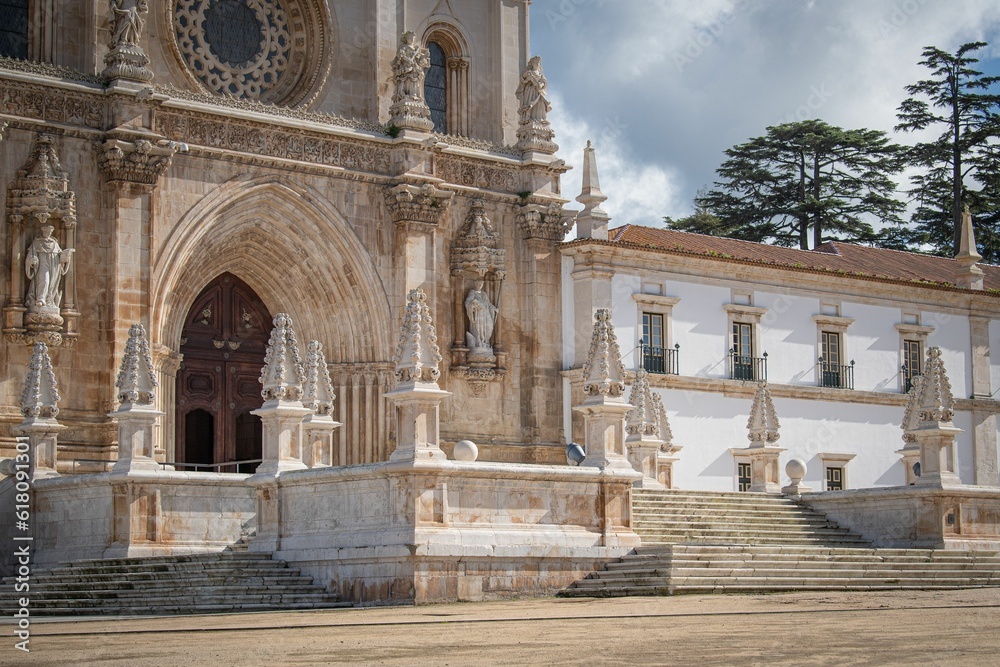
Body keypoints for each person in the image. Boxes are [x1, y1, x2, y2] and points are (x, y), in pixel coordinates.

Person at [25, 225, 72, 310]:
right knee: (44, 280)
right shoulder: (37, 242)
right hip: (42, 263)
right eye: (47, 231)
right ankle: (40, 299)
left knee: (52, 282)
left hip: (54, 264)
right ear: (43, 231)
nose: (48, 233)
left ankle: (49, 300)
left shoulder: (54, 243)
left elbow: (59, 254)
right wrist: (31, 260)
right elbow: (31, 254)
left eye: (50, 232)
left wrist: (65, 257)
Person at [391, 31, 430, 102]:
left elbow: (419, 61)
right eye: (411, 38)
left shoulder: (415, 49)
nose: (412, 39)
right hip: (406, 67)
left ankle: (413, 95)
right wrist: (407, 59)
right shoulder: (404, 47)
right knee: (406, 79)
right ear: (407, 38)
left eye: (413, 38)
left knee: (414, 80)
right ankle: (404, 94)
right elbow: (400, 55)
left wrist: (425, 56)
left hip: (414, 68)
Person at [516, 56, 551, 123]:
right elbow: (522, 80)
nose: (537, 64)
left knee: (540, 104)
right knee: (529, 105)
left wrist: (541, 84)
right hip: (529, 91)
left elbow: (543, 83)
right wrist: (527, 79)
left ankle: (541, 119)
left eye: (538, 63)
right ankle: (527, 118)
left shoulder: (541, 75)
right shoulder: (528, 72)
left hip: (538, 93)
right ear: (532, 63)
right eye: (535, 62)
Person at [465, 281, 498, 352]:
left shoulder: (484, 294)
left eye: (481, 284)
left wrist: (494, 309)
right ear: (475, 284)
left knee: (489, 327)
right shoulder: (472, 292)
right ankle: (479, 342)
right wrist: (474, 304)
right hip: (478, 314)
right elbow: (468, 302)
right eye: (478, 284)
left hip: (486, 313)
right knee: (478, 329)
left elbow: (488, 304)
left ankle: (485, 341)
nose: (480, 285)